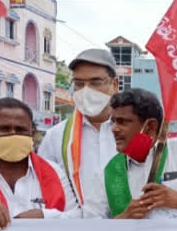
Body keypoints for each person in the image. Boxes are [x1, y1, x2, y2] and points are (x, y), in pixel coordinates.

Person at [82, 88, 177, 220]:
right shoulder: (109, 172)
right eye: (113, 122)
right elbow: (90, 229)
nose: (114, 129)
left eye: (122, 122)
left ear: (150, 126)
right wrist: (123, 219)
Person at [0, 98, 81, 229]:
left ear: (32, 133)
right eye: (4, 129)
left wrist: (44, 216)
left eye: (20, 129)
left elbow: (78, 218)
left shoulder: (53, 171)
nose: (13, 134)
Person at [38, 48, 119, 207]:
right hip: (75, 228)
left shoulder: (134, 131)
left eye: (95, 83)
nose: (86, 90)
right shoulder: (56, 137)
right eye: (79, 83)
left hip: (130, 228)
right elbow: (44, 188)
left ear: (115, 84)